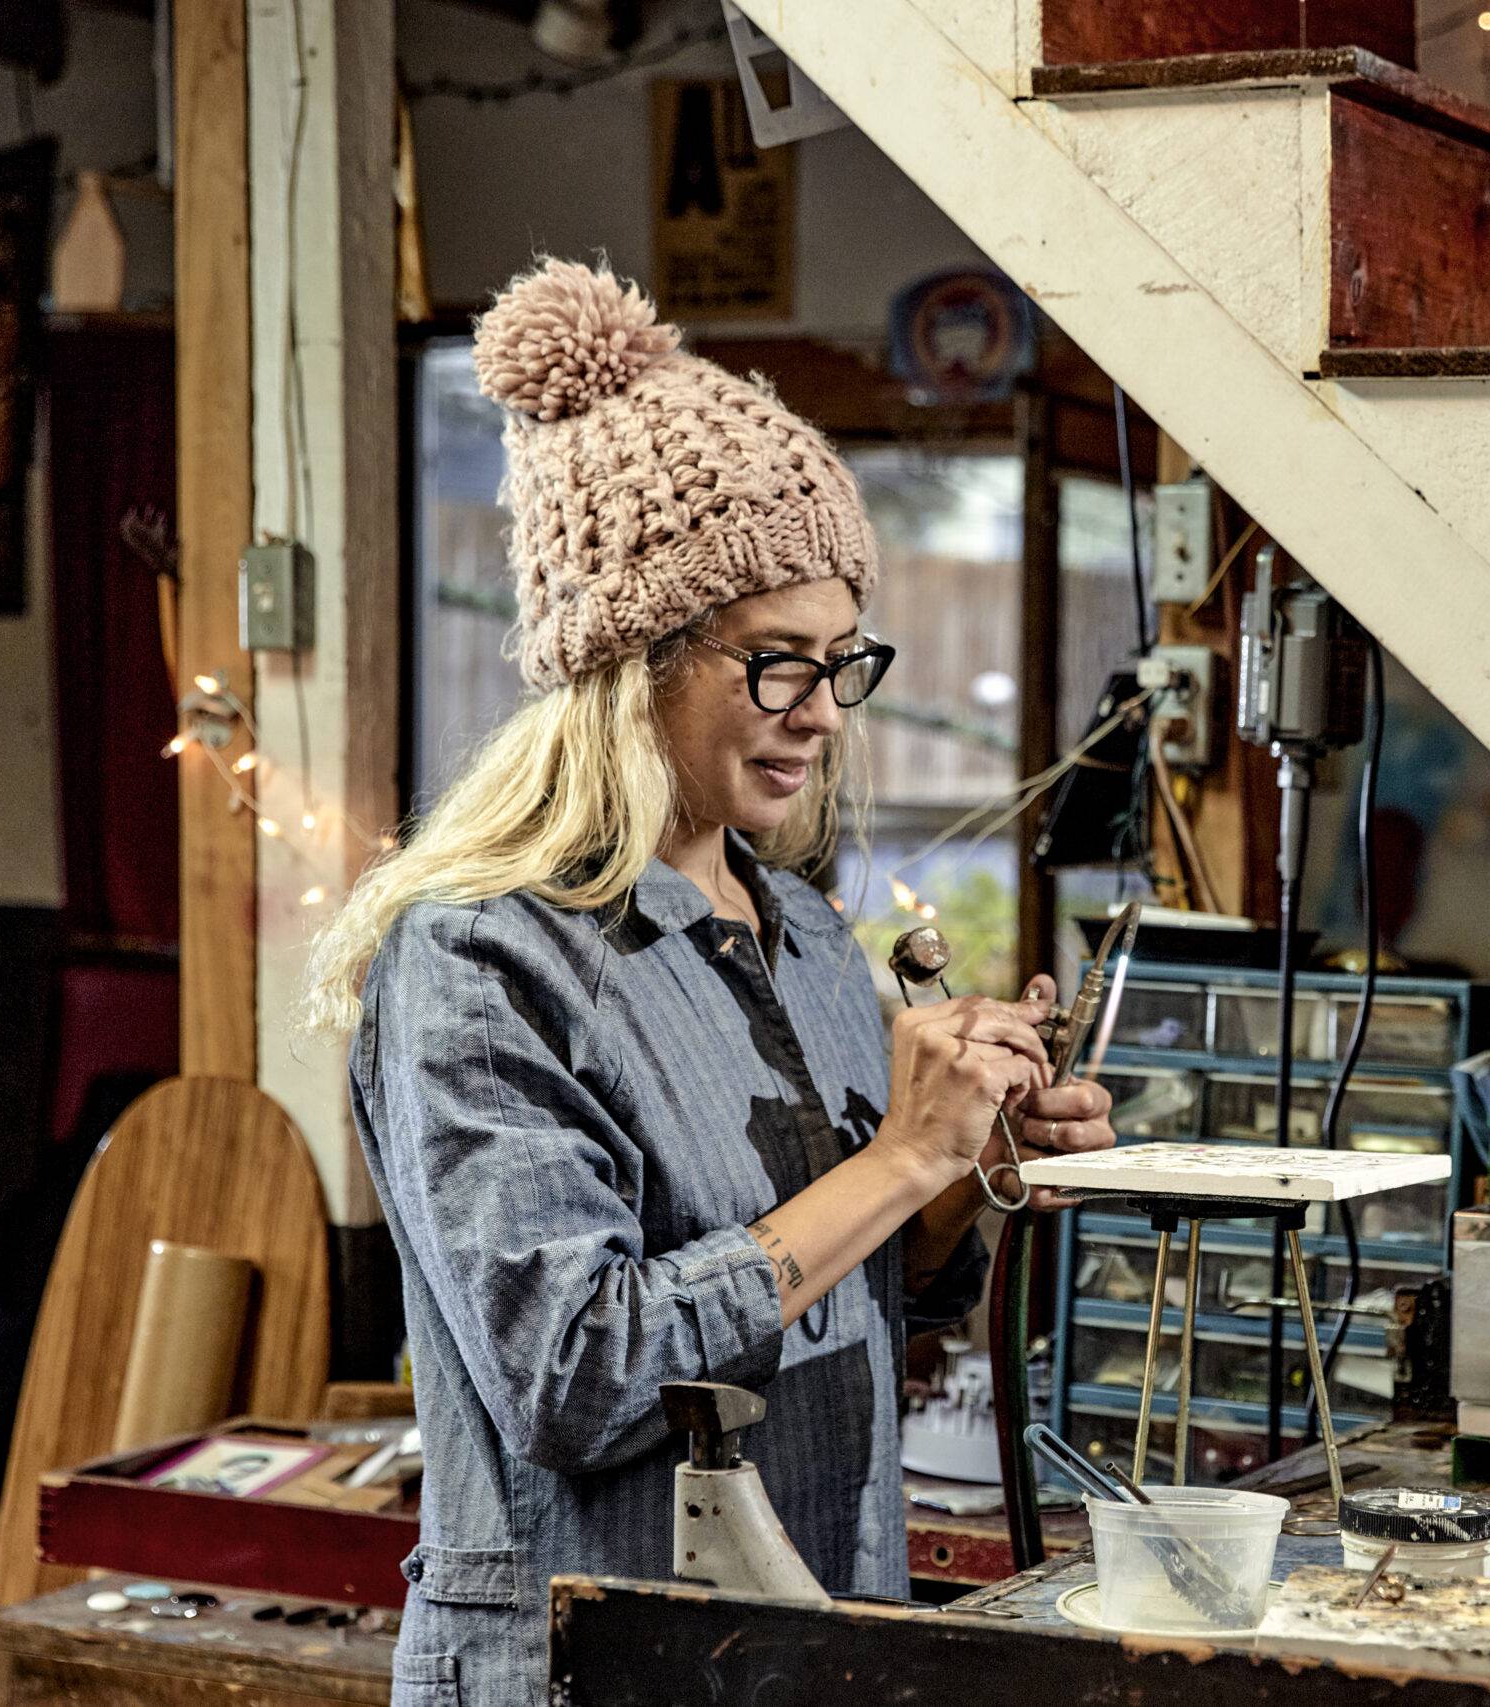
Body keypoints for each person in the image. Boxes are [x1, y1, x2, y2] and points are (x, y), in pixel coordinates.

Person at [301, 258, 1114, 1707]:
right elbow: (575, 1372)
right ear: (633, 656)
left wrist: (962, 1171)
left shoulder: (801, 935)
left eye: (838, 661)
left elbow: (869, 1293)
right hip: (592, 1661)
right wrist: (896, 1155)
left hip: (818, 1628)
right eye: (774, 663)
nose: (820, 715)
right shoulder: (484, 953)